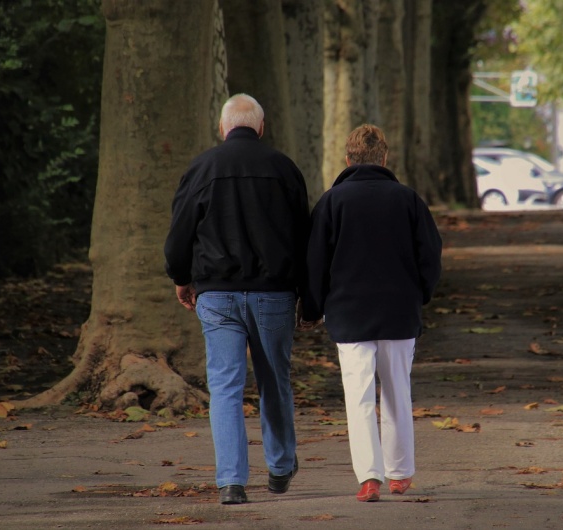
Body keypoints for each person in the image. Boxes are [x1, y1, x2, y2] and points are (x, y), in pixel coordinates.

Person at [164, 93, 309, 505]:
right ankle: (280, 467)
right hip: (274, 294)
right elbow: (305, 237)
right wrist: (308, 294)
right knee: (274, 381)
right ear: (261, 127)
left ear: (223, 128)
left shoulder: (202, 167)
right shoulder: (284, 169)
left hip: (217, 293)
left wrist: (181, 277)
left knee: (225, 387)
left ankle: (231, 481)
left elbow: (179, 233)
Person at [301, 124, 442, 502]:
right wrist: (421, 295)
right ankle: (400, 472)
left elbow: (315, 262)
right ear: (384, 158)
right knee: (398, 390)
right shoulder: (409, 200)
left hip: (348, 314)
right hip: (399, 311)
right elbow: (430, 255)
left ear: (347, 160)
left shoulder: (332, 202)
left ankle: (369, 476)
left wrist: (312, 308)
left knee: (358, 397)